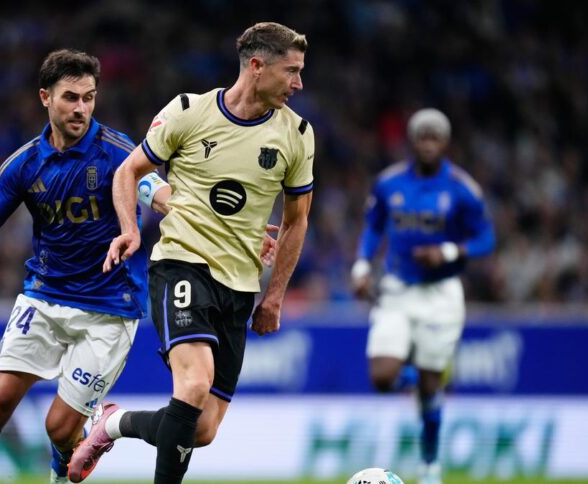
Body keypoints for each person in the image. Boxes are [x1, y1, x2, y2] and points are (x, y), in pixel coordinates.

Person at [0, 49, 174, 484]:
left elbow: (161, 194)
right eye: (70, 97)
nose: (81, 108)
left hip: (108, 308)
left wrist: (222, 226)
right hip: (44, 296)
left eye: (89, 98)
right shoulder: (23, 165)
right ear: (45, 97)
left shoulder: (119, 153)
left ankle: (75, 451)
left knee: (58, 429)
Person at [67, 22, 315, 484]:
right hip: (182, 265)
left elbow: (297, 220)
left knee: (201, 429)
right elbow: (128, 171)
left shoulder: (297, 134)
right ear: (257, 66)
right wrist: (130, 229)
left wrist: (275, 295)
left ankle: (113, 423)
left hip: (239, 286)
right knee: (195, 383)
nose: (299, 83)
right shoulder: (189, 111)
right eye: (292, 71)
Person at [349, 108, 495, 484]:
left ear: (445, 142)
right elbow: (373, 227)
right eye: (422, 137)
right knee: (383, 377)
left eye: (435, 138)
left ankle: (430, 466)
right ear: (412, 141)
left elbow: (485, 239)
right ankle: (415, 375)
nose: (428, 144)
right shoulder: (389, 183)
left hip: (441, 293)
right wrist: (362, 265)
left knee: (431, 388)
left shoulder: (462, 188)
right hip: (397, 288)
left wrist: (447, 251)